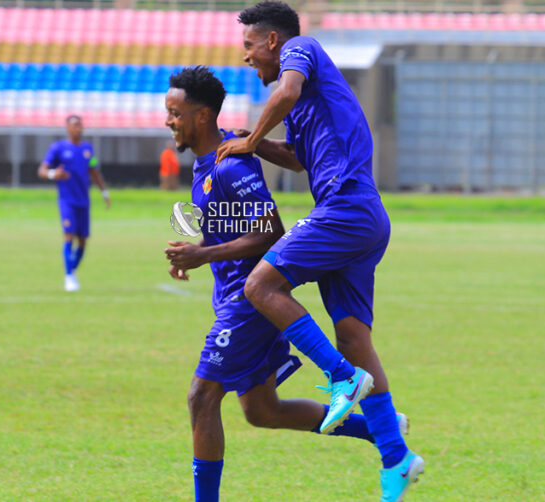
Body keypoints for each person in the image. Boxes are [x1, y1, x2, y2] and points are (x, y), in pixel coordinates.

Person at [164, 66, 408, 502]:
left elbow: (269, 231)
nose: (169, 121)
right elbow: (232, 230)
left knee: (201, 397)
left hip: (249, 301)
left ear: (202, 116)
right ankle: (381, 429)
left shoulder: (230, 166)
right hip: (233, 296)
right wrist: (196, 251)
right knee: (261, 410)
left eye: (175, 113)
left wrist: (204, 255)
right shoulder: (206, 165)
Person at [215, 2, 424, 500]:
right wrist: (252, 142)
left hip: (346, 207)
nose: (246, 57)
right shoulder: (307, 102)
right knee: (352, 337)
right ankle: (396, 457)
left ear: (273, 41)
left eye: (249, 46)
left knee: (260, 286)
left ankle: (340, 379)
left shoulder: (301, 49)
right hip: (361, 216)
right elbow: (297, 159)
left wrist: (253, 137)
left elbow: (286, 91)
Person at [38, 115, 110, 292]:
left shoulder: (87, 149)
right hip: (67, 201)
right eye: (75, 125)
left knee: (83, 241)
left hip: (83, 201)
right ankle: (69, 276)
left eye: (80, 125)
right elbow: (42, 170)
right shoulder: (58, 148)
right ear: (68, 128)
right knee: (69, 235)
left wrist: (104, 192)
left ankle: (71, 270)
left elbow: (94, 171)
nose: (79, 128)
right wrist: (54, 174)